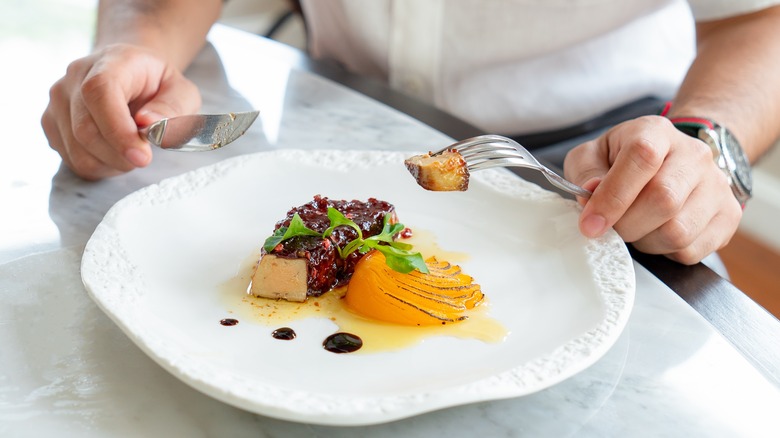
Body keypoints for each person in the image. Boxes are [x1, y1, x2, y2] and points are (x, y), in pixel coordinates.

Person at [41, 0, 780, 266]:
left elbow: (761, 15)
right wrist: (138, 47)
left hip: (608, 161)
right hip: (339, 118)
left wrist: (705, 142)